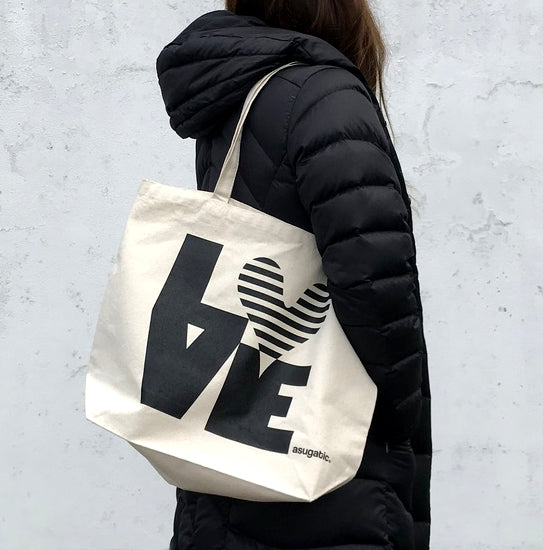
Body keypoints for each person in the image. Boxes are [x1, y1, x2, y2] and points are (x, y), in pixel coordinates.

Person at [156, 2, 432, 549]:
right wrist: (402, 422)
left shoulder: (242, 92)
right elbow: (376, 286)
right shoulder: (323, 96)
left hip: (232, 440)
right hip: (324, 470)